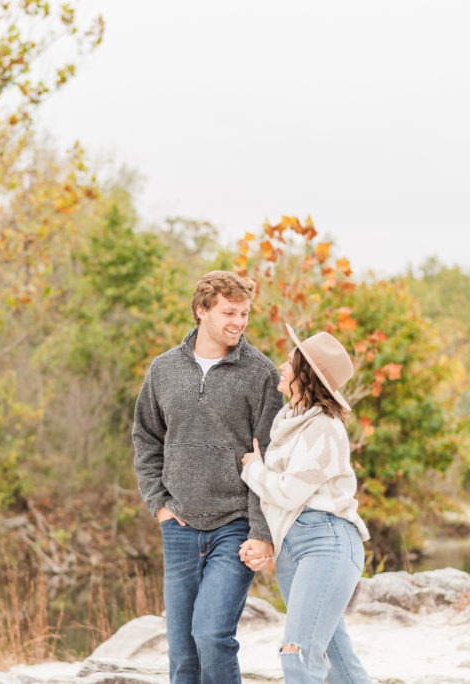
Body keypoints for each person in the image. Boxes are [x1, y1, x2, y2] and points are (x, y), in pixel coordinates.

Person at [132, 270, 284, 684]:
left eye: (244, 313)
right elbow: (146, 438)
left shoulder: (261, 373)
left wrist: (260, 530)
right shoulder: (163, 370)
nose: (238, 322)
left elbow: (268, 456)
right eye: (229, 312)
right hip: (178, 525)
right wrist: (159, 505)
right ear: (202, 311)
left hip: (234, 526)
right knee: (182, 652)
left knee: (212, 635)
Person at [239, 323, 372, 683]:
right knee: (338, 662)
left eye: (289, 362)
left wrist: (254, 470)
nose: (281, 367)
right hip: (291, 548)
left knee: (297, 655)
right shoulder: (288, 422)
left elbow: (287, 492)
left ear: (306, 375)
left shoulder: (324, 428)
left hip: (327, 542)